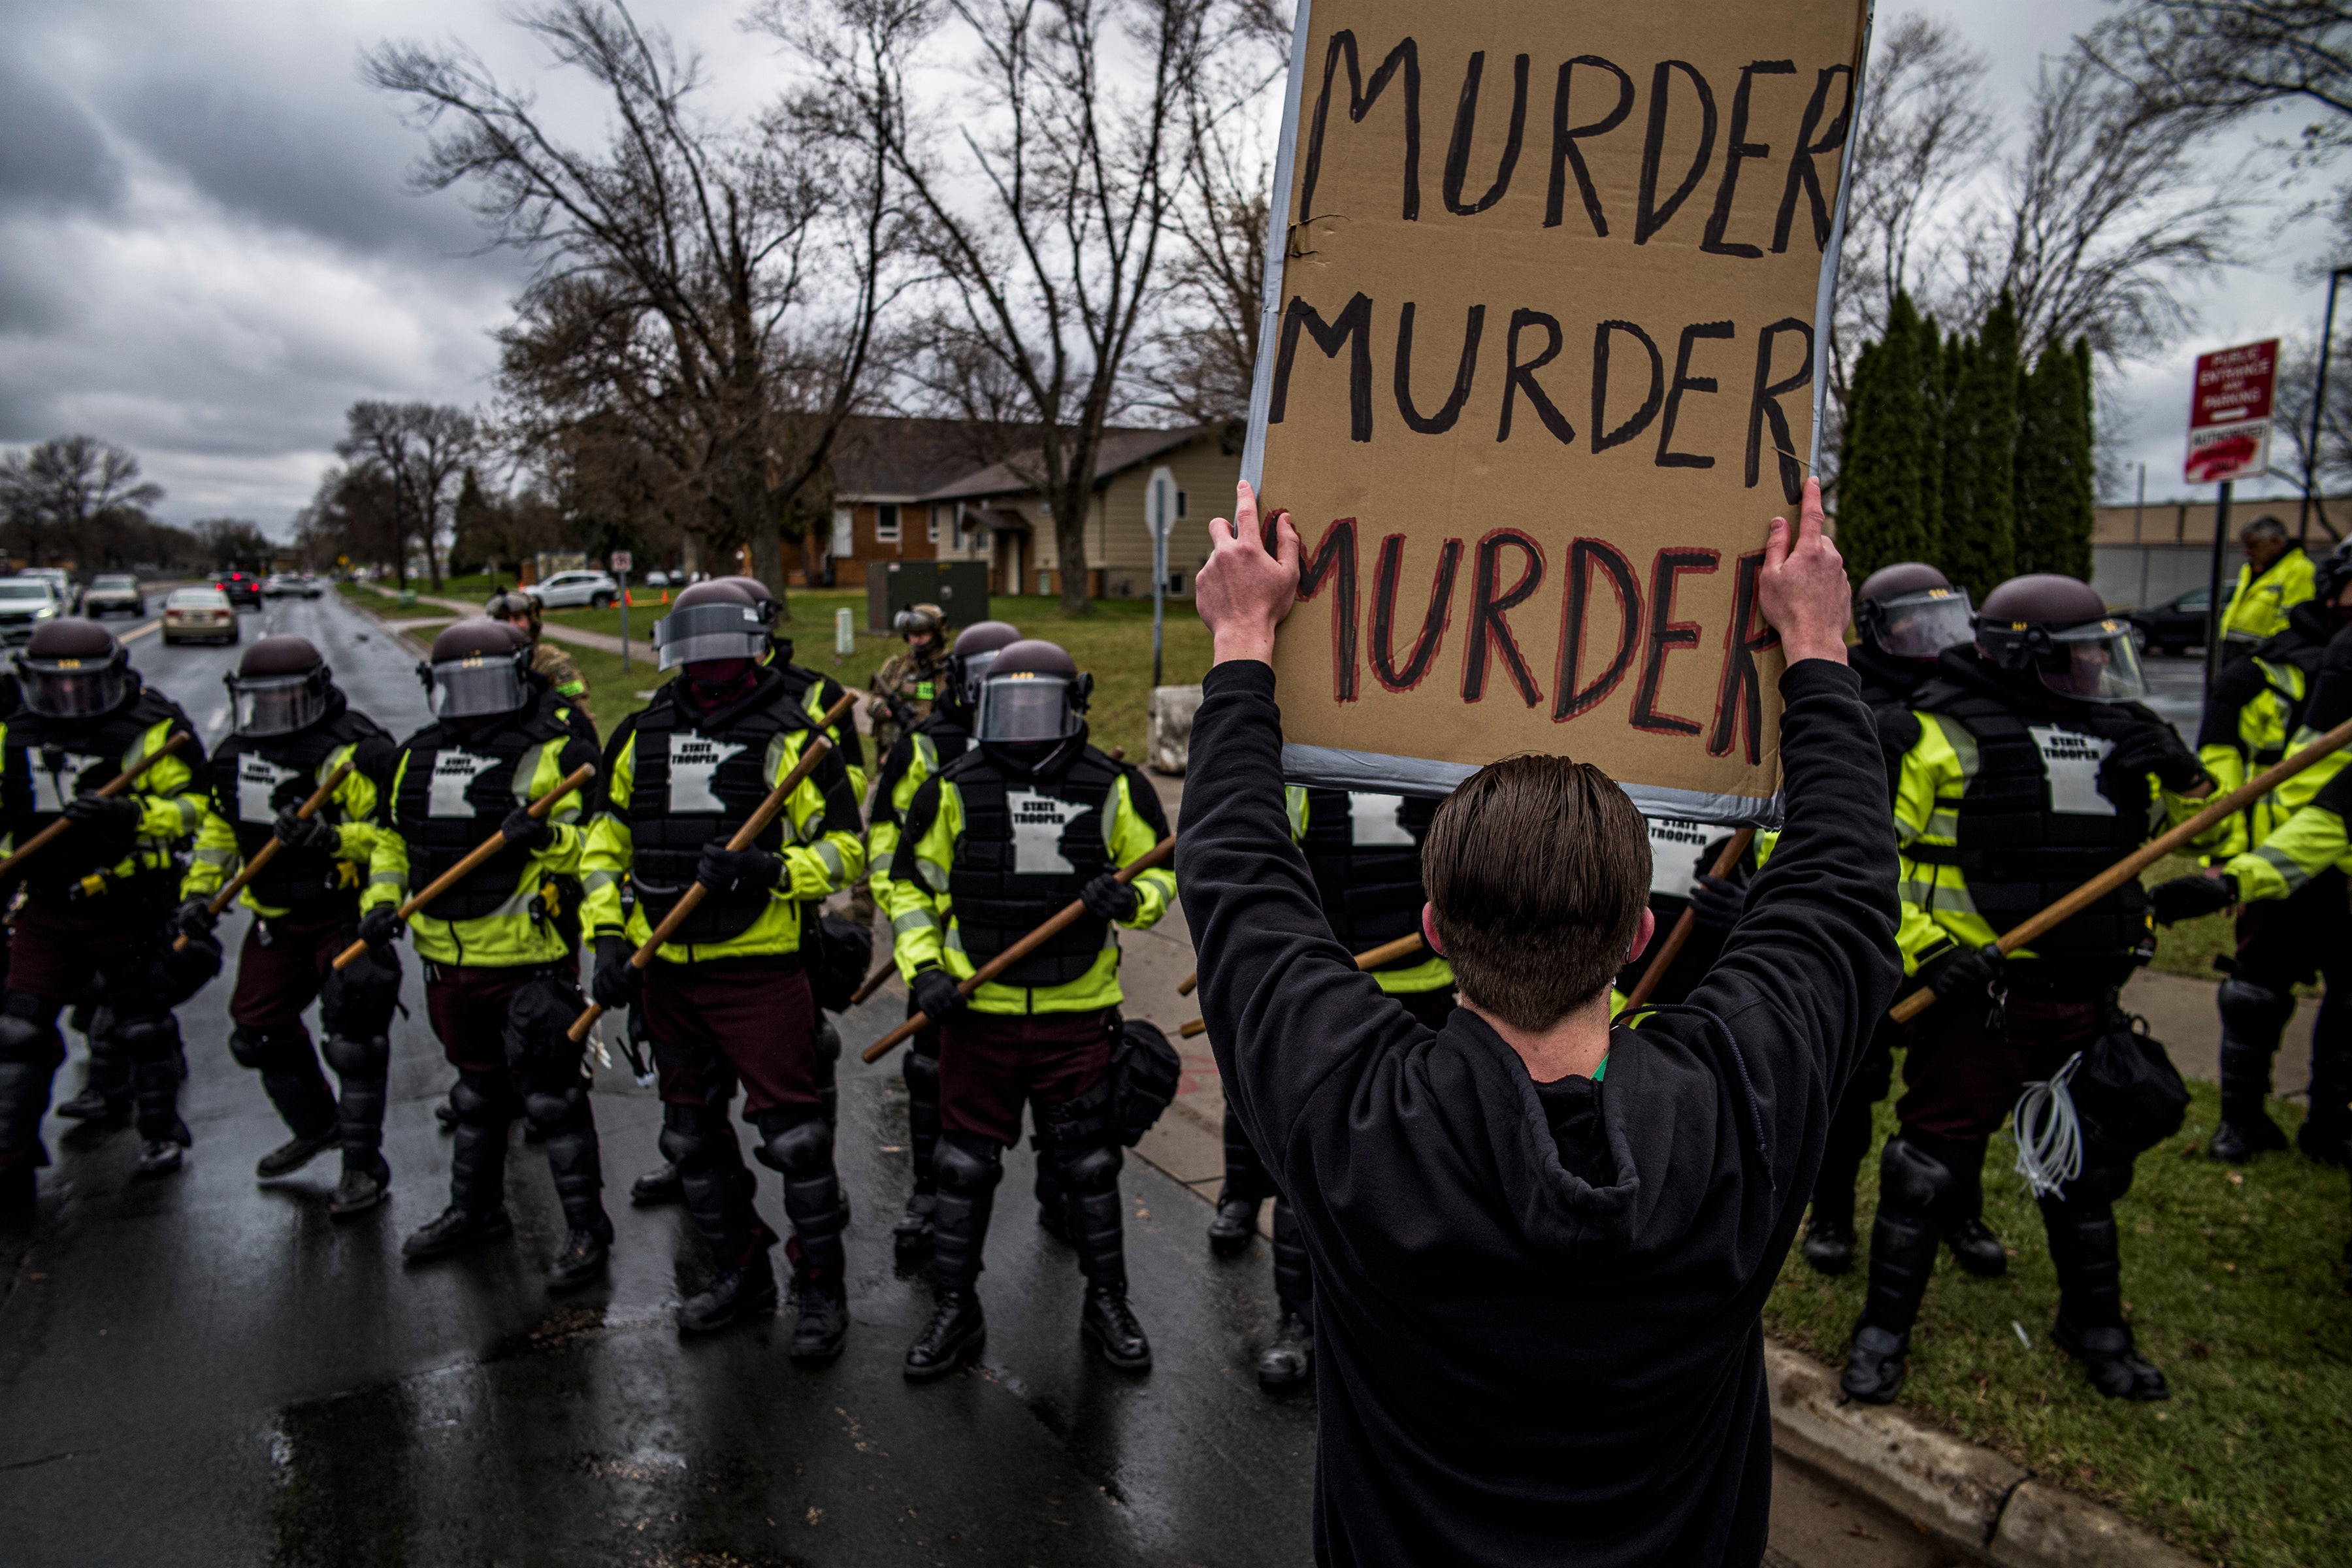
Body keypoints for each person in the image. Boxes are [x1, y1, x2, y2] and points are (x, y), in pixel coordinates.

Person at [1180, 478, 1898, 1565]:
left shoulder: (1354, 1125)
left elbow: (1235, 877)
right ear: (1636, 937)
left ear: (1430, 927)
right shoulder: (1734, 1120)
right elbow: (1843, 888)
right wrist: (1816, 645)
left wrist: (1243, 640)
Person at [1844, 574, 2212, 1406]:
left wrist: (2191, 780)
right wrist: (1928, 953)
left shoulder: (2129, 735)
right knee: (1927, 1169)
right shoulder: (1928, 731)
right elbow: (1868, 861)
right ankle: (1881, 1331)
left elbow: (2204, 830)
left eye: (2100, 649)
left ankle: (2096, 1328)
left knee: (2083, 1168)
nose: (2095, 665)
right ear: (2024, 652)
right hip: (1982, 995)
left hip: (2088, 994)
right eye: (2081, 651)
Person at [583, 580, 867, 1354]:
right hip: (667, 974)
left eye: (723, 645)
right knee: (691, 1140)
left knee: (798, 1141)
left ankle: (821, 1292)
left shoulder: (793, 736)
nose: (707, 662)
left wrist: (772, 871)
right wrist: (607, 939)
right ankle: (742, 1271)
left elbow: (846, 850)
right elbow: (603, 845)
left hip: (761, 975)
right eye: (693, 646)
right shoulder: (640, 734)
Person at [883, 638, 1176, 1380]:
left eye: (1038, 704)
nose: (1022, 720)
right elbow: (909, 888)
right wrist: (924, 974)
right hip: (976, 1019)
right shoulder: (952, 787)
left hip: (1076, 1019)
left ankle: (1107, 1301)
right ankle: (955, 1307)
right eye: (1005, 704)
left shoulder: (1112, 786)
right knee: (961, 1168)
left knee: (1089, 1165)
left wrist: (1129, 898)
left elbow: (1164, 881)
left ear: (1072, 704)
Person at [363, 619, 612, 1290]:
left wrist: (540, 841)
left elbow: (595, 846)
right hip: (446, 960)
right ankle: (475, 1211)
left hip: (530, 961)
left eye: (489, 680)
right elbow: (391, 841)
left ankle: (588, 1231)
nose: (474, 696)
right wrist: (380, 901)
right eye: (458, 684)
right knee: (476, 1095)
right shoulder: (415, 757)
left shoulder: (555, 750)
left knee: (554, 1098)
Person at [1209, 784, 1457, 1392]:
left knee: (1417, 1173)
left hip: (1427, 992)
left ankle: (1404, 1321)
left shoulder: (1447, 771)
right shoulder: (1310, 777)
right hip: (1332, 995)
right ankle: (1300, 1319)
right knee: (1311, 1166)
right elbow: (1269, 868)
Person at [1795, 563, 2003, 1277]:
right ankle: (1830, 1218)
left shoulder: (1967, 703)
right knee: (1849, 1089)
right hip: (1866, 939)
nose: (1935, 636)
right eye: (1916, 621)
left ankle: (1959, 1210)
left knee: (1956, 1093)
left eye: (1946, 620)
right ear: (1878, 627)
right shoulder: (1842, 694)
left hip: (1957, 944)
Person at [171, 637, 404, 1216]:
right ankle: (318, 1125)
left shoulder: (353, 752)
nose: (275, 713)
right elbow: (222, 834)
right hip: (276, 919)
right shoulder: (234, 755)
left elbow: (390, 836)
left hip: (341, 914)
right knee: (256, 1031)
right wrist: (198, 894)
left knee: (353, 1039)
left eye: (288, 700)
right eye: (262, 701)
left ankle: (362, 1165)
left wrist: (333, 840)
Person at [0, 619, 212, 1203]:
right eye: (55, 688)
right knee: (18, 1027)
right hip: (45, 902)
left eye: (85, 687)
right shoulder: (10, 732)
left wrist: (137, 817)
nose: (70, 700)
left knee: (140, 1021)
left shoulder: (152, 727)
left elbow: (199, 807)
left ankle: (160, 1132)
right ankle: (11, 1153)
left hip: (126, 900)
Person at [2153, 545, 2352, 1167]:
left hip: (2334, 865)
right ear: (2333, 591)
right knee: (2253, 993)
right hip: (2275, 861)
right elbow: (2226, 777)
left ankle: (2330, 1126)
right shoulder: (2261, 673)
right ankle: (2241, 1121)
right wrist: (2233, 862)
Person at [864, 619, 1022, 1249]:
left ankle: (1063, 1199)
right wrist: (924, 932)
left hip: (1030, 945)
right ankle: (928, 1192)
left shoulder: (1048, 744)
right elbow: (887, 851)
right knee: (930, 1076)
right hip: (944, 953)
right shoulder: (922, 749)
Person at [489, 589, 594, 727]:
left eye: (517, 618)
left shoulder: (552, 660)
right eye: (504, 620)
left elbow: (580, 711)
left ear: (532, 621)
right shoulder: (489, 664)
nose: (511, 626)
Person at [870, 603, 953, 762]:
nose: (915, 640)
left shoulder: (950, 670)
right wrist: (879, 707)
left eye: (921, 634)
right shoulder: (896, 666)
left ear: (938, 634)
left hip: (932, 752)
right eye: (911, 635)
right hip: (893, 754)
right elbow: (875, 697)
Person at [2220, 515, 2315, 649]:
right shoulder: (2250, 569)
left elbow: (2291, 620)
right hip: (2233, 648)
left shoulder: (2300, 569)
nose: (2247, 552)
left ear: (2275, 541)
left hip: (2261, 653)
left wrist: (2272, 650)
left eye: (2253, 545)